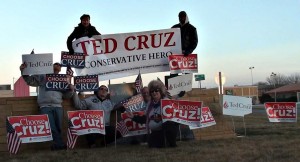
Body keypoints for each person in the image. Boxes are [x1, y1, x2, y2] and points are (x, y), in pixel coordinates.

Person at [19, 62, 74, 151]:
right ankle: (60, 145)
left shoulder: (63, 80)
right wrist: (23, 71)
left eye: (60, 65)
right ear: (50, 66)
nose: (58, 65)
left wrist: (71, 90)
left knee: (59, 128)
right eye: (56, 64)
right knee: (52, 127)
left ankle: (56, 146)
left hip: (58, 107)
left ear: (60, 69)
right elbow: (30, 81)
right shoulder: (43, 76)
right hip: (45, 106)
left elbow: (66, 96)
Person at [130, 80, 183, 148]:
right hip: (155, 131)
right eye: (152, 91)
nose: (154, 92)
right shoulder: (150, 104)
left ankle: (171, 143)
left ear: (161, 91)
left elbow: (174, 116)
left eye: (156, 90)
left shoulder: (166, 101)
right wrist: (134, 117)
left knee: (169, 124)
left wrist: (161, 117)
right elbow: (145, 118)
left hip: (165, 129)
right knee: (152, 145)